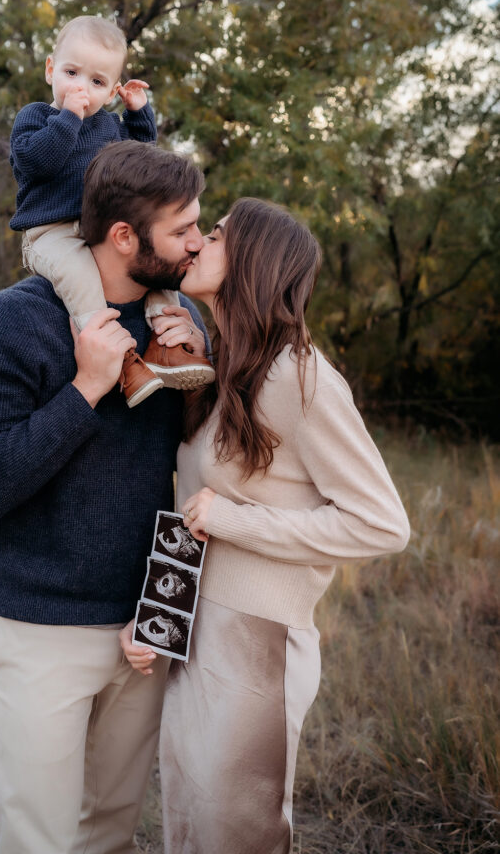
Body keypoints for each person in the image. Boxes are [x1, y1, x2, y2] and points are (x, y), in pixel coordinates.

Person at [121, 197, 411, 854]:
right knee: (188, 833)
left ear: (253, 259)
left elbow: (383, 524)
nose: (196, 245)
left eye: (216, 236)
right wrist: (156, 617)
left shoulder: (297, 374)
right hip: (194, 638)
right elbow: (190, 509)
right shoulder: (224, 370)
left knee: (238, 839)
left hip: (259, 647)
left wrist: (239, 522)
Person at [0, 140, 212, 854]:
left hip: (147, 617)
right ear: (125, 237)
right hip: (43, 627)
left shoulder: (178, 325)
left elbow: (201, 466)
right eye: (183, 228)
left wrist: (201, 374)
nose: (198, 241)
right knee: (34, 835)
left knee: (111, 831)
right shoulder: (11, 323)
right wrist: (85, 389)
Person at [9, 14, 213, 406]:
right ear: (51, 68)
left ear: (112, 90)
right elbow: (39, 163)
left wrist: (138, 114)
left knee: (155, 266)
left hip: (101, 231)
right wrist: (69, 117)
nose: (81, 88)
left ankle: (166, 345)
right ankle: (120, 362)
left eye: (97, 82)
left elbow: (140, 165)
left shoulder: (109, 126)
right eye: (72, 73)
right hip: (50, 233)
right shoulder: (36, 118)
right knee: (81, 278)